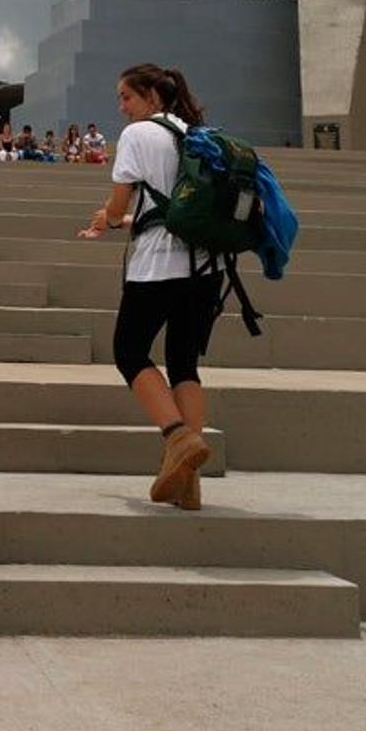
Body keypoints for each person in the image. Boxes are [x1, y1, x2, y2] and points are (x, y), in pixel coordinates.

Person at [78, 63, 216, 510]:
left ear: (153, 97)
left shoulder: (139, 136)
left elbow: (119, 208)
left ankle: (177, 440)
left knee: (129, 351)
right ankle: (188, 482)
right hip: (206, 267)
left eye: (127, 97)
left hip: (157, 265)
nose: (122, 108)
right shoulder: (194, 133)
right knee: (183, 363)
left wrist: (108, 218)